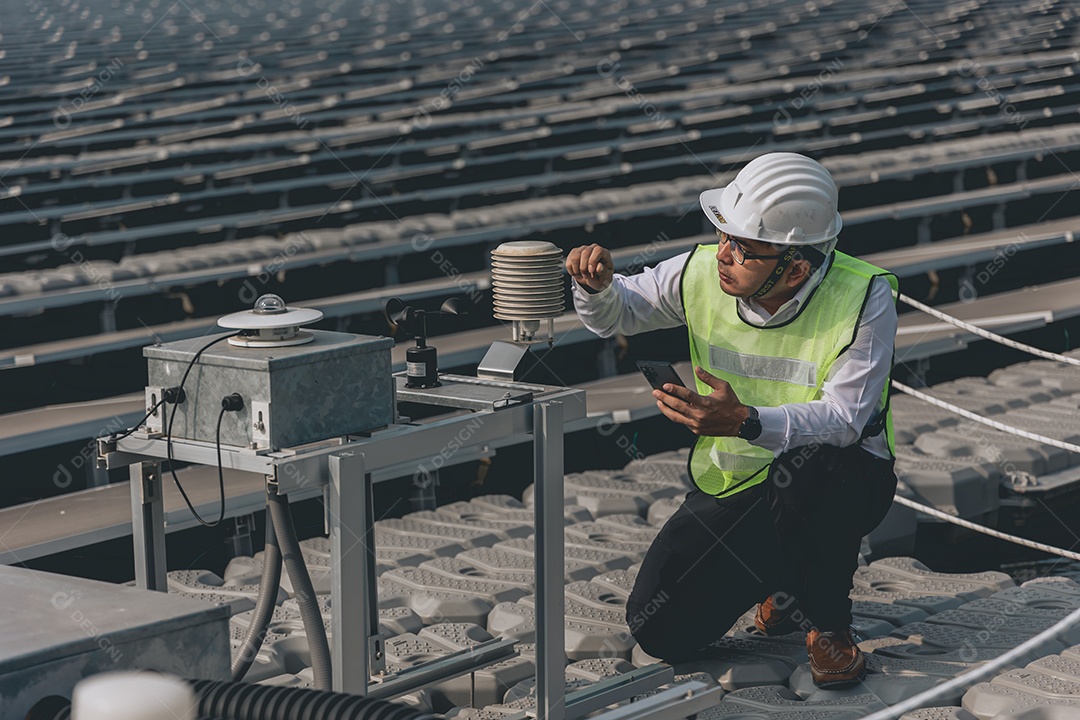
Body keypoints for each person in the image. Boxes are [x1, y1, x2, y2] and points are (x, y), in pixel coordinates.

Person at [566, 152, 899, 688]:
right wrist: (598, 286)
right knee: (661, 627)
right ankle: (784, 579)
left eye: (744, 247)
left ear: (796, 267)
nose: (724, 253)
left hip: (840, 478)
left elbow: (845, 418)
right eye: (723, 234)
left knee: (815, 465)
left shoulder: (865, 295)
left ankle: (829, 625)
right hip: (740, 480)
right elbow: (620, 313)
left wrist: (746, 421)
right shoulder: (702, 270)